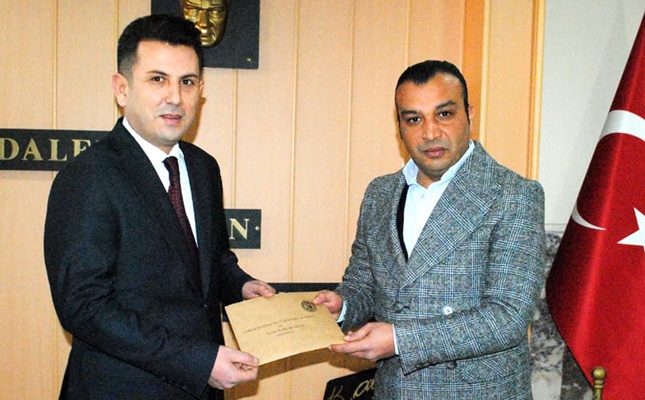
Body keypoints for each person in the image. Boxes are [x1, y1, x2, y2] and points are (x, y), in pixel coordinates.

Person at [44, 14, 274, 400]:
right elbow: (83, 306)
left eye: (187, 82)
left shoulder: (203, 168)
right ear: (121, 89)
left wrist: (240, 286)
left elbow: (211, 261)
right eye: (157, 79)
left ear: (200, 89)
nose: (175, 97)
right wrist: (197, 361)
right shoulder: (87, 176)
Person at [313, 60, 545, 399]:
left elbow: (507, 317)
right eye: (414, 119)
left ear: (469, 114)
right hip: (395, 390)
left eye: (444, 114)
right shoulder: (380, 193)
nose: (430, 133)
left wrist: (400, 340)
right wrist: (342, 305)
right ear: (399, 126)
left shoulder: (514, 194)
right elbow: (363, 283)